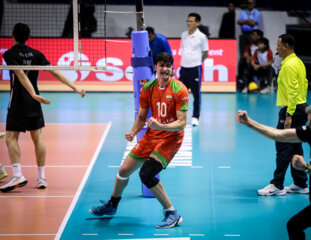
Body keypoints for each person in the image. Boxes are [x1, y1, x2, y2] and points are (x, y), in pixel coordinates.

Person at [89, 52, 189, 229]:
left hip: (171, 138)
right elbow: (142, 115)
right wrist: (133, 131)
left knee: (146, 173)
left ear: (172, 68)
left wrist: (161, 127)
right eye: (161, 65)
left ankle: (172, 213)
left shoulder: (179, 89)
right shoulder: (147, 88)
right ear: (155, 67)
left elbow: (181, 123)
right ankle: (112, 205)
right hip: (152, 134)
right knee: (124, 171)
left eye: (168, 65)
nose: (165, 69)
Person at [236, 102, 311, 240]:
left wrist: (305, 167)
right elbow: (279, 135)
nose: (309, 125)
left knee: (294, 226)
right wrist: (249, 122)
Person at [0, 23, 86, 193]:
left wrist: (32, 94)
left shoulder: (10, 54)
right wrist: (74, 87)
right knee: (37, 138)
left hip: (18, 100)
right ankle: (41, 178)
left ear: (12, 35)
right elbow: (55, 72)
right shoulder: (36, 54)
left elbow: (20, 75)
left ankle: (17, 174)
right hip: (34, 102)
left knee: (11, 138)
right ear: (29, 37)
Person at [257, 34, 309, 196]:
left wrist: (289, 114)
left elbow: (293, 91)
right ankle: (300, 184)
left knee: (283, 147)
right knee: (295, 147)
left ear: (286, 46)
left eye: (279, 44)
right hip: (300, 109)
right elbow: (304, 85)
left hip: (293, 110)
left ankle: (277, 185)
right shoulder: (297, 62)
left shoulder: (289, 65)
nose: (276, 47)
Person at [179, 13, 208, 126]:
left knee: (196, 94)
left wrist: (197, 61)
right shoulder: (183, 35)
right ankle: (180, 116)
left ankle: (195, 117)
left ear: (197, 23)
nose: (188, 23)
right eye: (188, 21)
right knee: (181, 94)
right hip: (183, 68)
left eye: (191, 21)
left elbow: (206, 53)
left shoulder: (202, 37)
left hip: (195, 68)